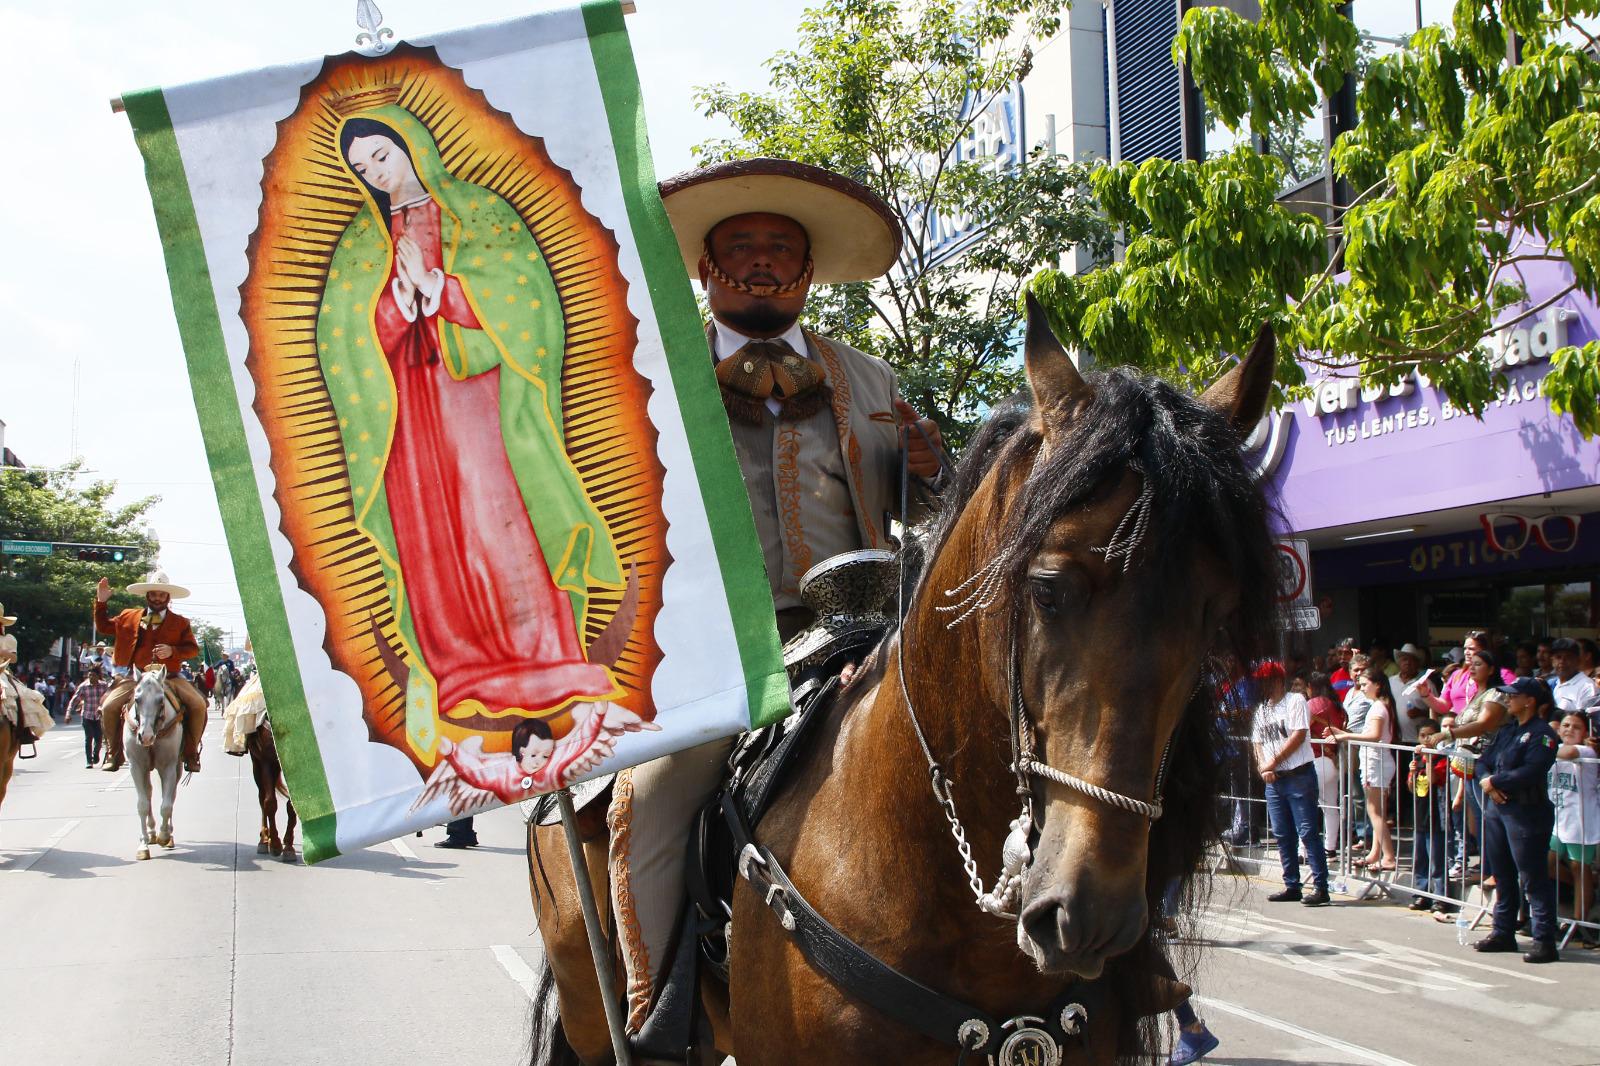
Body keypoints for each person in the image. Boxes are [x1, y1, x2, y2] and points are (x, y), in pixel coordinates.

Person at [609, 157, 945, 1037]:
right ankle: (660, 1008)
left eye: (781, 247)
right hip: (711, 647)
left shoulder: (869, 376)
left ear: (805, 270)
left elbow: (925, 513)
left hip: (862, 636)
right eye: (743, 245)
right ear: (709, 267)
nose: (762, 260)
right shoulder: (643, 368)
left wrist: (930, 471)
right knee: (660, 793)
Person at [324, 103, 623, 729]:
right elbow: (342, 335)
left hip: (479, 391)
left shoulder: (477, 209)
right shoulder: (361, 242)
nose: (375, 172)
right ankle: (456, 669)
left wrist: (440, 288)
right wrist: (397, 302)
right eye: (361, 167)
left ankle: (543, 656)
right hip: (408, 406)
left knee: (499, 513)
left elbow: (526, 298)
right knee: (435, 532)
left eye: (381, 154)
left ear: (410, 143)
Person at [1472, 678, 1562, 963]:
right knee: (1503, 874)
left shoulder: (1542, 734)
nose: (1508, 700)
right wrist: (1487, 780)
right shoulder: (1508, 730)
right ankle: (1503, 931)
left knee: (1533, 876)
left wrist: (1494, 781)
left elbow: (1532, 770)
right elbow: (1482, 760)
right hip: (1498, 810)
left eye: (1514, 696)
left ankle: (1544, 939)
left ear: (1530, 701)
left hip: (1526, 812)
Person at [93, 570, 209, 773]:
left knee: (199, 705)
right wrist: (101, 602)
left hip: (170, 677)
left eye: (162, 595)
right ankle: (113, 752)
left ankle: (191, 753)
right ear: (147, 596)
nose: (157, 598)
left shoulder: (181, 622)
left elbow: (192, 649)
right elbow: (103, 627)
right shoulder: (129, 616)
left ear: (168, 597)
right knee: (109, 706)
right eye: (154, 594)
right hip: (136, 677)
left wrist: (172, 651)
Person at [1250, 661, 1331, 906]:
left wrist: (1272, 762)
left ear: (1277, 680)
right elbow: (1257, 743)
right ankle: (1291, 884)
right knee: (1283, 834)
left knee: (1307, 831)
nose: (1262, 685)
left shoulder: (1295, 701)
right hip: (1275, 780)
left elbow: (1298, 735)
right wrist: (1263, 767)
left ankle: (1320, 886)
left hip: (1298, 774)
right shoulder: (1262, 710)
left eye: (1265, 680)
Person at [1424, 651, 1510, 877]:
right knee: (1477, 822)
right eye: (1470, 664)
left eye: (1478, 664)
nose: (1471, 668)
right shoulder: (1477, 694)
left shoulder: (1496, 694)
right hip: (1469, 764)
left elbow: (1483, 725)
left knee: (1489, 820)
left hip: (1487, 763)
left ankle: (1495, 872)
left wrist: (1447, 735)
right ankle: (1486, 868)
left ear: (1491, 669)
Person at [1332, 672, 1398, 871]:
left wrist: (1344, 736)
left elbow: (1375, 735)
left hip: (1376, 761)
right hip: (1377, 761)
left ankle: (1388, 856)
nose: (1361, 689)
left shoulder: (1378, 707)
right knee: (1377, 810)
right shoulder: (1380, 705)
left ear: (1377, 685)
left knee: (1374, 811)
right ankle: (1376, 853)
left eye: (1364, 684)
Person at [1548, 712, 1598, 945]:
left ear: (1585, 733)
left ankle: (1580, 921)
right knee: (1546, 863)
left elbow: (1568, 753)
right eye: (1565, 725)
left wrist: (1543, 746)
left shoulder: (1586, 752)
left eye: (1575, 727)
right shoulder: (1552, 747)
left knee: (1580, 868)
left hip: (1581, 821)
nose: (1569, 729)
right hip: (1557, 820)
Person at [1408, 721, 1452, 910]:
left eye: (1430, 735)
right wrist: (1411, 773)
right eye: (1422, 735)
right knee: (1420, 857)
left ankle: (1439, 897)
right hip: (1420, 814)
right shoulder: (1417, 759)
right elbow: (1411, 787)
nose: (1426, 739)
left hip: (1436, 815)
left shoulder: (1441, 758)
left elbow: (1434, 778)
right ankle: (1421, 893)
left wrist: (1428, 760)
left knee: (1436, 857)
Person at [1305, 672, 1346, 855]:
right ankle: (1330, 847)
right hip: (1332, 761)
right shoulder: (1337, 706)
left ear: (1310, 687)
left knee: (1306, 807)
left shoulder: (1314, 703)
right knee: (1330, 806)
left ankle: (1303, 851)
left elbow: (1300, 729)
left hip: (1315, 760)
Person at [1391, 643, 1435, 744]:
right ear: (1399, 662)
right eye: (1404, 659)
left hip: (1418, 740)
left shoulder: (1425, 683)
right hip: (1396, 739)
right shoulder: (1390, 682)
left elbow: (1438, 710)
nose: (1408, 663)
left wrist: (1421, 713)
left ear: (1417, 663)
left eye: (1412, 660)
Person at [66, 667, 109, 769]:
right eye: (89, 675)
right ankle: (89, 761)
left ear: (98, 676)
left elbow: (109, 697)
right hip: (87, 715)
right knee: (88, 738)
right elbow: (74, 700)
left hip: (99, 716)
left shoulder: (104, 686)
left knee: (98, 739)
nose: (90, 677)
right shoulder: (83, 686)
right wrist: (68, 713)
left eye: (93, 675)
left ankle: (96, 754)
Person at [1548, 637, 1598, 713]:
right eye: (1558, 657)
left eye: (1568, 657)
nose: (1562, 661)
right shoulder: (1550, 683)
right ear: (1552, 660)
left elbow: (1584, 719)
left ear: (1577, 660)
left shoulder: (1587, 686)